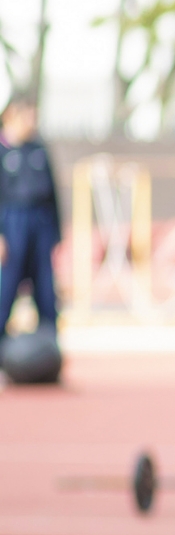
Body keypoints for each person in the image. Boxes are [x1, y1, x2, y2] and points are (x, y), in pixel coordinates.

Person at [0, 97, 62, 349]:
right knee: (7, 287)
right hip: (11, 223)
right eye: (26, 116)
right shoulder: (3, 151)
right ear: (10, 116)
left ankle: (50, 347)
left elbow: (53, 195)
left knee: (46, 289)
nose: (31, 122)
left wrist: (57, 234)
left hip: (40, 223)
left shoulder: (38, 150)